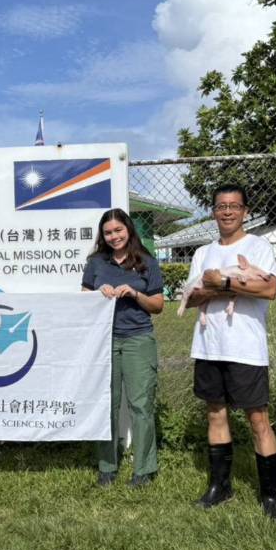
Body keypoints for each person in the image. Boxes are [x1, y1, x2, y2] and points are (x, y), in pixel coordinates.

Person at [186, 184, 276, 517]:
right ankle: (220, 486)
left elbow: (269, 288)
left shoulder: (258, 246)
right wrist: (214, 289)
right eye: (220, 206)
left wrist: (223, 284)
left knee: (258, 419)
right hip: (209, 345)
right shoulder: (202, 253)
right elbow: (192, 294)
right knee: (215, 413)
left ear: (245, 211)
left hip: (245, 347)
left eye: (234, 206)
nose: (227, 211)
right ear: (213, 212)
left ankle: (270, 495)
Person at [82, 208, 165, 489]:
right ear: (102, 236)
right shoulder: (96, 263)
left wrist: (136, 293)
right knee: (107, 404)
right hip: (103, 342)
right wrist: (98, 292)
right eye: (108, 232)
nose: (114, 236)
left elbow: (158, 306)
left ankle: (144, 469)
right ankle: (107, 466)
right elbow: (83, 300)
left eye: (118, 230)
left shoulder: (146, 262)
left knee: (140, 405)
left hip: (138, 340)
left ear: (128, 230)